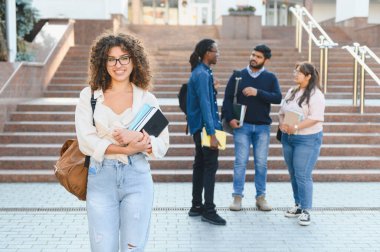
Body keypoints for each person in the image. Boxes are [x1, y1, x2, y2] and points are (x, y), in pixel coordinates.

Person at [75, 32, 169, 251]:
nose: (118, 64)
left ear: (134, 60)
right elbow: (86, 141)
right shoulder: (89, 96)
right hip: (100, 178)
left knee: (133, 247)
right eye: (111, 58)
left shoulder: (146, 98)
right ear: (103, 62)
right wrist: (125, 150)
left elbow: (162, 143)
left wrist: (136, 137)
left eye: (124, 57)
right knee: (102, 247)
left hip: (137, 178)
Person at [222, 44, 282, 212]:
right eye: (253, 54)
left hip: (262, 127)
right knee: (240, 163)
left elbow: (277, 98)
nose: (254, 58)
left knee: (261, 164)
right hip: (242, 126)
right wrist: (230, 118)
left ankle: (261, 198)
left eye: (258, 57)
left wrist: (258, 92)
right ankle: (237, 197)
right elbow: (227, 99)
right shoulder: (238, 76)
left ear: (266, 60)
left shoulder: (270, 78)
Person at [279, 62, 325, 226]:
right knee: (293, 173)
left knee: (303, 175)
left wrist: (296, 126)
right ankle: (298, 205)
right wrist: (282, 123)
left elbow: (316, 118)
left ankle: (306, 210)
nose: (295, 74)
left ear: (308, 76)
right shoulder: (292, 91)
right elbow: (282, 111)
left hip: (307, 139)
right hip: (288, 138)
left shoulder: (316, 94)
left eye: (299, 72)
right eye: (295, 70)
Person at [186, 38, 226, 226]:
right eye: (216, 51)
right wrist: (212, 131)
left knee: (200, 165)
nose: (218, 54)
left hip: (199, 126)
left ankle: (196, 206)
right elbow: (204, 104)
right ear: (206, 53)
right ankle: (209, 210)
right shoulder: (202, 74)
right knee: (210, 167)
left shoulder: (201, 72)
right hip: (206, 127)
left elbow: (205, 99)